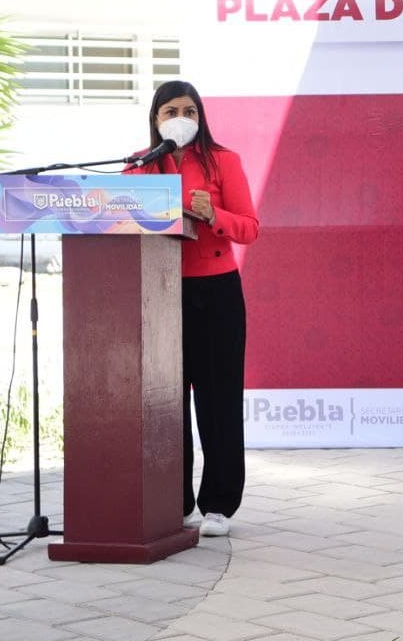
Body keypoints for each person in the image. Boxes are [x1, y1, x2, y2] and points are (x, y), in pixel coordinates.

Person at [128, 81, 260, 538]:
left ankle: (219, 504)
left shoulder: (223, 161)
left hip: (217, 293)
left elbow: (250, 229)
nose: (180, 118)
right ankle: (174, 500)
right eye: (170, 111)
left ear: (201, 115)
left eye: (189, 110)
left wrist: (214, 215)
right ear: (155, 118)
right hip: (159, 294)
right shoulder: (139, 167)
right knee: (167, 403)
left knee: (217, 401)